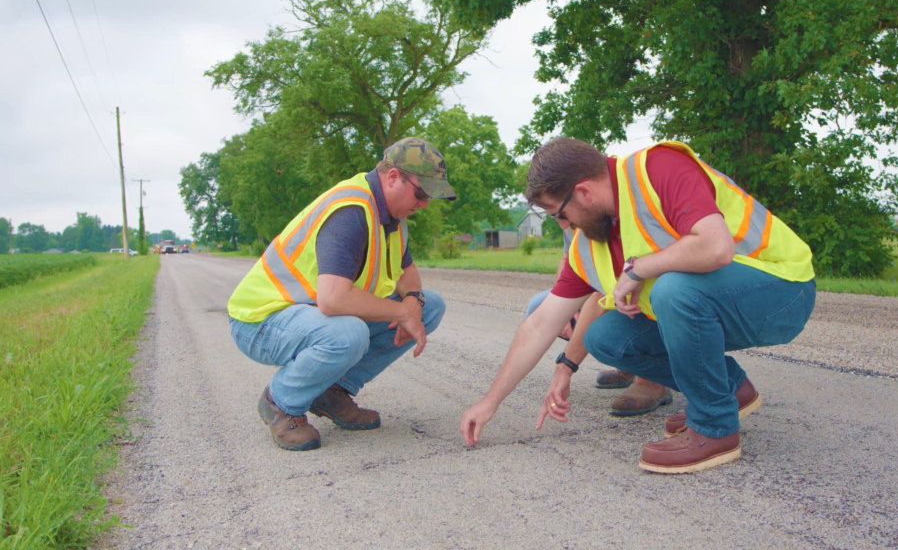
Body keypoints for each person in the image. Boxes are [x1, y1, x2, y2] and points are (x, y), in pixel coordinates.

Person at [460, 138, 816, 474]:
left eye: (559, 213)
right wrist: (490, 402)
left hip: (783, 291)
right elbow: (539, 325)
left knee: (673, 288)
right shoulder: (589, 242)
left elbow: (715, 247)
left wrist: (640, 268)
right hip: (722, 306)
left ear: (582, 192)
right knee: (605, 336)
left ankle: (715, 429)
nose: (563, 225)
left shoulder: (657, 169)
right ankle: (727, 391)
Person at [227, 138, 454, 451]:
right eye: (422, 192)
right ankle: (280, 402)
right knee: (349, 333)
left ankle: (331, 391)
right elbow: (333, 300)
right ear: (392, 178)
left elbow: (408, 273)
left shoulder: (393, 217)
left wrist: (413, 304)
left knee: (431, 306)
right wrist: (402, 313)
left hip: (310, 318)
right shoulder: (351, 211)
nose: (425, 203)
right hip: (260, 321)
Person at [525, 222, 672, 416]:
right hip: (602, 288)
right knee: (540, 307)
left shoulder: (603, 215)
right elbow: (567, 259)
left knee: (600, 335)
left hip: (637, 287)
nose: (561, 223)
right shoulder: (569, 217)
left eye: (558, 212)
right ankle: (627, 364)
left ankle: (650, 379)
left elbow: (600, 294)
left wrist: (566, 365)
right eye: (553, 215)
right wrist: (566, 304)